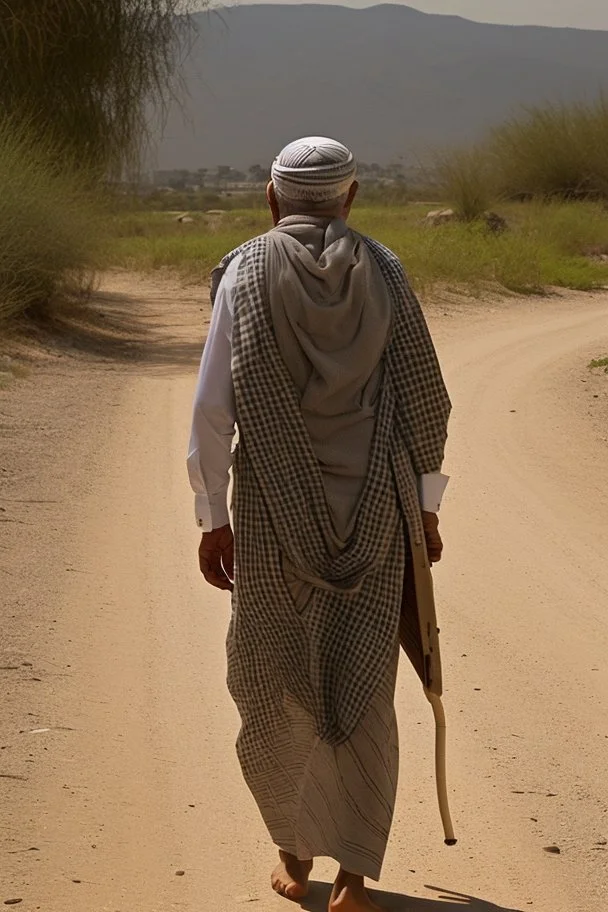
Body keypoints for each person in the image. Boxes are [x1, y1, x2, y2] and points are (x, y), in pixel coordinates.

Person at [188, 136, 452, 912]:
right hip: (377, 511)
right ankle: (355, 880)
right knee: (365, 685)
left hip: (271, 509)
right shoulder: (390, 272)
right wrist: (426, 508)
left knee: (274, 675)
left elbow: (211, 409)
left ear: (271, 199)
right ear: (351, 196)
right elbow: (427, 398)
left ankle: (293, 855)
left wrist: (211, 517)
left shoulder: (244, 269)